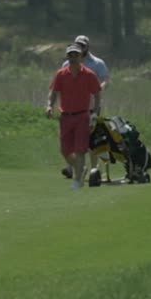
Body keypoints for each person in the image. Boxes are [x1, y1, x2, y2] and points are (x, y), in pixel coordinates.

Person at [45, 43, 103, 189]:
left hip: (82, 116)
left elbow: (97, 95)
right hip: (65, 116)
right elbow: (53, 92)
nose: (72, 57)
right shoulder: (61, 74)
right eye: (70, 55)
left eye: (75, 55)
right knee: (65, 150)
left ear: (81, 57)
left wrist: (95, 113)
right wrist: (49, 105)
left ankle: (77, 181)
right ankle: (80, 169)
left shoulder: (89, 74)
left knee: (80, 150)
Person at [59, 35, 110, 180]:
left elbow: (106, 79)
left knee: (92, 139)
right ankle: (74, 166)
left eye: (83, 45)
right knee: (71, 139)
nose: (80, 48)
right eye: (78, 45)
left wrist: (98, 89)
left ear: (87, 47)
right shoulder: (66, 64)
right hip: (72, 107)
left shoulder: (97, 63)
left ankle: (94, 169)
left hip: (92, 105)